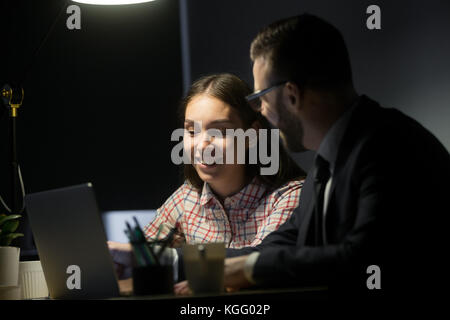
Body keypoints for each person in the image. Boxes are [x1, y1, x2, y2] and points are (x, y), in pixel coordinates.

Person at [217, 14, 450, 303]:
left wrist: (252, 269)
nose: (261, 111)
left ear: (292, 95)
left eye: (261, 97)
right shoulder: (328, 163)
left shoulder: (388, 148)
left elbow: (364, 259)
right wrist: (177, 262)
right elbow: (284, 244)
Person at [109, 73, 306, 280]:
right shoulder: (186, 199)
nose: (202, 145)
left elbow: (262, 266)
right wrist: (124, 264)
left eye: (220, 131)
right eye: (191, 131)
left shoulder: (288, 197)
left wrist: (172, 259)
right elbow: (145, 258)